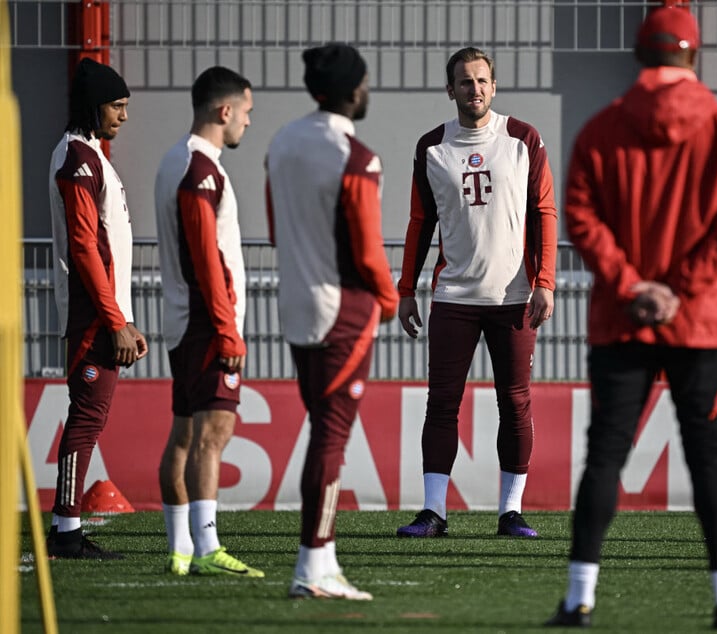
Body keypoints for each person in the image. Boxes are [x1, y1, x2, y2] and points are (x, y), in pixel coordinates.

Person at [545, 6, 717, 629]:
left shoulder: (601, 128)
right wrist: (679, 288)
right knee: (708, 464)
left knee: (606, 457)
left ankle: (578, 597)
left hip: (621, 318)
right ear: (693, 56)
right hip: (701, 323)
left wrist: (631, 283)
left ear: (640, 55)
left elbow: (582, 216)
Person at [395, 46, 558, 539]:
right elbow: (419, 223)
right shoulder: (431, 147)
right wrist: (406, 290)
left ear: (494, 85)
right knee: (442, 404)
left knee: (515, 403)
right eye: (465, 82)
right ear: (451, 90)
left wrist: (545, 282)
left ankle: (511, 512)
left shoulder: (523, 139)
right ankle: (433, 512)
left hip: (513, 297)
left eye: (483, 81)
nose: (475, 90)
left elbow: (544, 214)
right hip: (453, 298)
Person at [265, 43, 398, 600]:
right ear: (352, 89)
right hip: (341, 308)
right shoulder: (356, 156)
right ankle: (313, 566)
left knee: (323, 431)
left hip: (295, 303)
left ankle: (323, 560)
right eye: (365, 82)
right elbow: (367, 249)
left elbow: (275, 228)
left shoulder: (282, 141)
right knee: (332, 436)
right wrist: (389, 299)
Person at [154, 66, 262, 577]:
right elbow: (206, 257)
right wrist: (226, 328)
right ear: (225, 111)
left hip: (184, 319)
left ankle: (178, 550)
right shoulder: (201, 169)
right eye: (246, 112)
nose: (247, 122)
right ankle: (206, 547)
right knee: (213, 433)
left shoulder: (176, 161)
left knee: (183, 435)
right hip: (205, 323)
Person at [47, 57, 149, 559]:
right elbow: (87, 249)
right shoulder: (79, 161)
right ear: (94, 105)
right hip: (91, 316)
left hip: (102, 313)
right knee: (86, 419)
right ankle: (65, 529)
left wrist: (125, 317)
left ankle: (66, 525)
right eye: (117, 105)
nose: (124, 116)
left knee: (89, 417)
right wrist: (115, 321)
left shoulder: (86, 155)